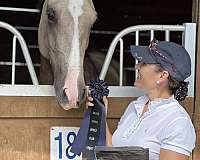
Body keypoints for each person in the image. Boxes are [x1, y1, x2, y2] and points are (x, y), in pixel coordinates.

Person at [86, 39, 196, 160]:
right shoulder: (134, 106)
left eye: (144, 63)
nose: (137, 66)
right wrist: (100, 115)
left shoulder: (177, 122)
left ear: (162, 75)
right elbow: (113, 149)